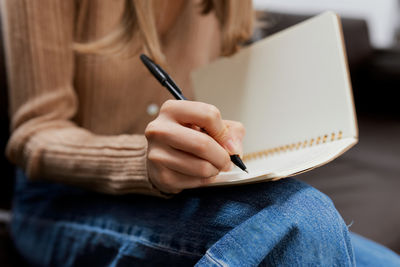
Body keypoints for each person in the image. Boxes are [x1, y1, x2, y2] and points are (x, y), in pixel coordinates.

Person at [1, 0, 399, 266]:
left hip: (185, 193)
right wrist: (140, 160)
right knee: (302, 219)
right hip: (62, 200)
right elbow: (35, 135)